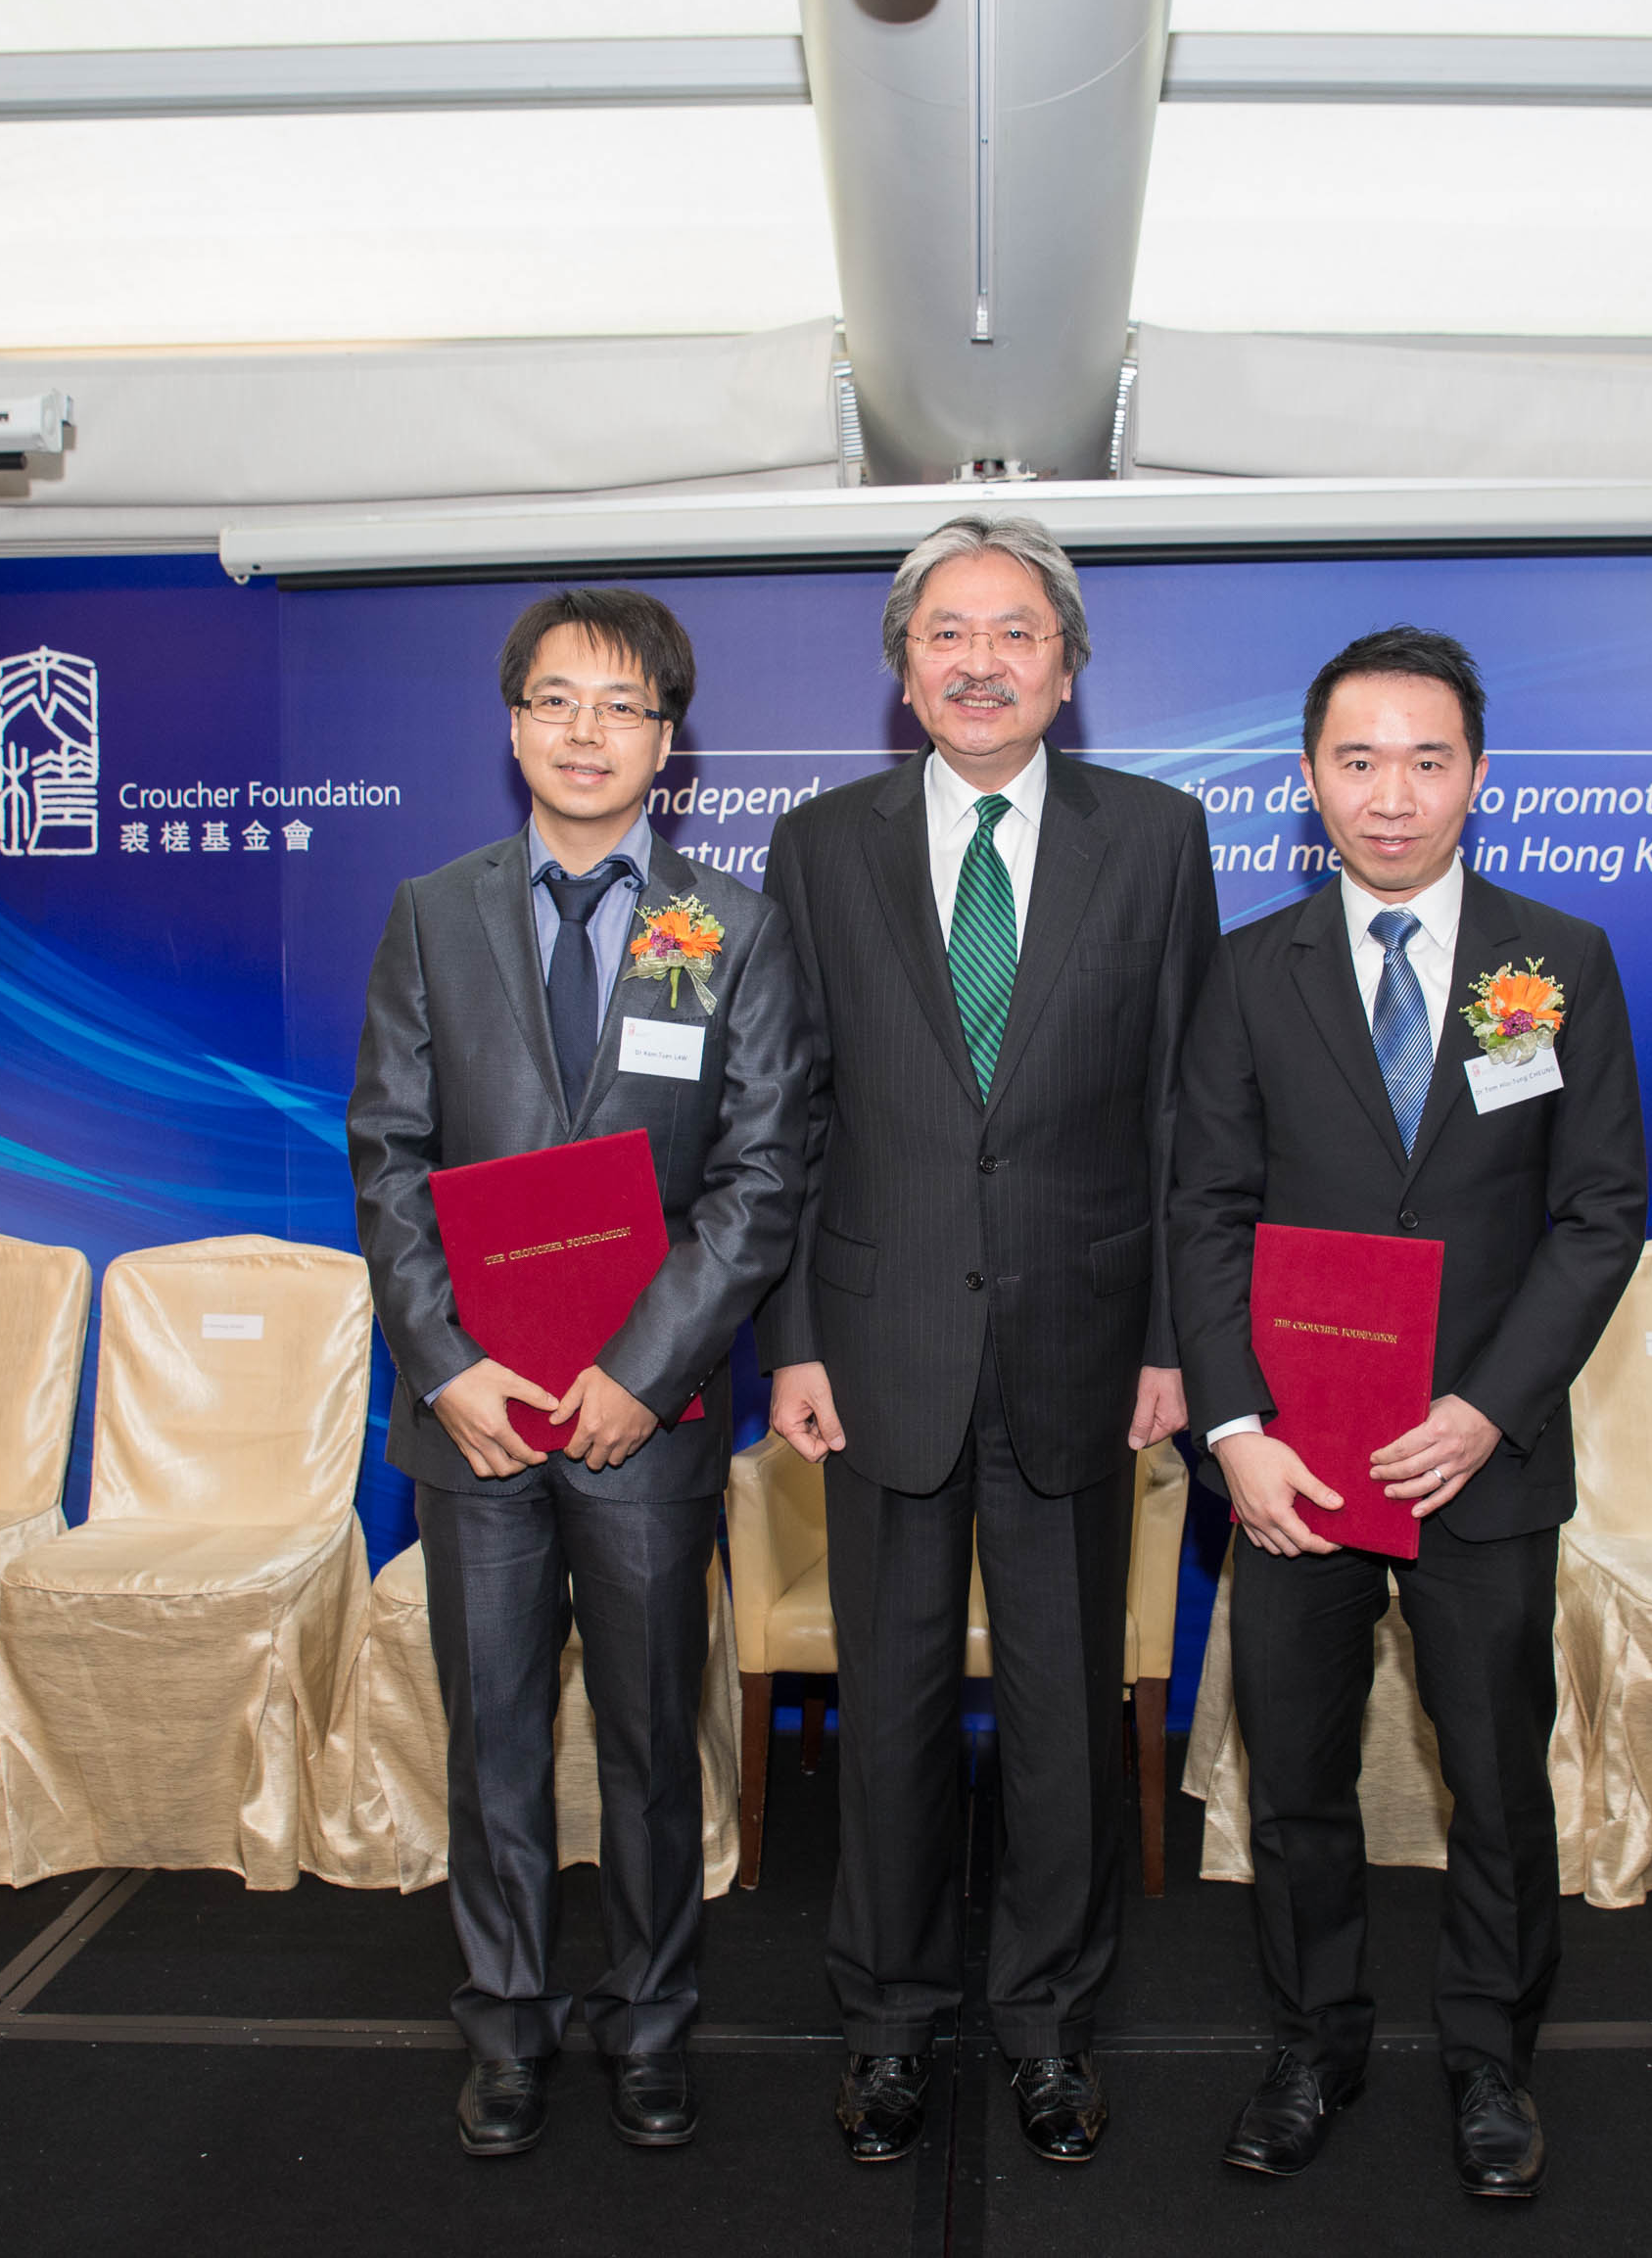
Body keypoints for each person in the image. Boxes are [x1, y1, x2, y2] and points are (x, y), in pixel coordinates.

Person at [758, 513, 1219, 2167]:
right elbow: (789, 1112)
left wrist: (1174, 1334)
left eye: (1013, 632)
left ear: (1066, 666)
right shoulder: (816, 847)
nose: (977, 659)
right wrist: (793, 1333)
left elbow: (1183, 1106)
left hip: (1084, 1352)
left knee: (1058, 1717)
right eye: (944, 632)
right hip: (873, 1353)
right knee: (882, 1715)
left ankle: (1044, 2026)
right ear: (902, 667)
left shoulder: (1157, 838)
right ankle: (885, 2022)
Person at [1169, 625, 1647, 2198]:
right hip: (1292, 1468)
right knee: (1295, 1772)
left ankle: (1492, 2057)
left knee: (1497, 1777)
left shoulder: (1552, 962)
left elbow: (1596, 1213)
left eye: (1425, 758)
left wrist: (1484, 1410)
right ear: (1307, 778)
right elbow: (1206, 1214)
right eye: (1357, 759)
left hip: (1477, 1467)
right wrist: (1233, 1427)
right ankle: (1314, 2039)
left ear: (1477, 776)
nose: (1391, 793)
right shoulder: (1247, 972)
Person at [349, 588, 817, 2158]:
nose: (583, 731)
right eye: (554, 701)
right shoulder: (432, 910)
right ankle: (503, 2028)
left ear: (666, 741)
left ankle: (652, 2021)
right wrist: (451, 1362)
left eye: (619, 707)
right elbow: (390, 1157)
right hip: (471, 1420)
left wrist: (639, 1368)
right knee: (487, 1741)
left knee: (644, 1741)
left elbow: (759, 1179)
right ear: (512, 726)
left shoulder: (730, 926)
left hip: (647, 1418)